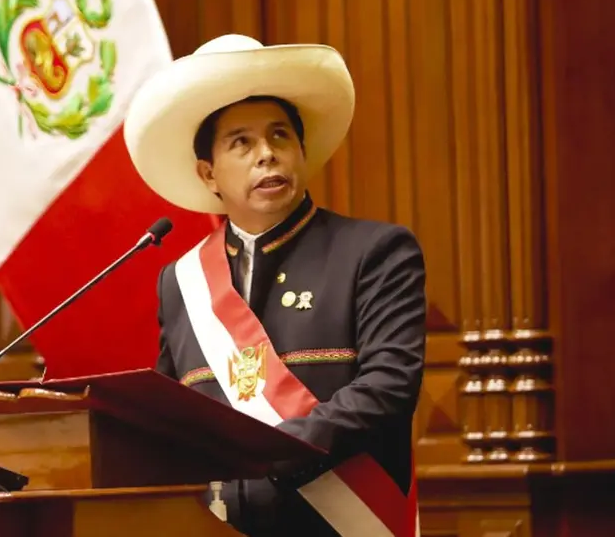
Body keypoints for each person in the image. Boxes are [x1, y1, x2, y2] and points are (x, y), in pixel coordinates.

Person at [123, 34, 426, 537]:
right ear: (208, 173)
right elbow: (173, 418)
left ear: (302, 151)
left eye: (280, 136)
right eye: (241, 142)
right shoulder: (181, 281)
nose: (266, 154)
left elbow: (388, 388)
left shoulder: (373, 252)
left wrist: (273, 454)